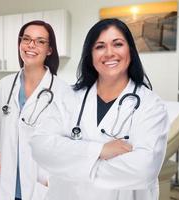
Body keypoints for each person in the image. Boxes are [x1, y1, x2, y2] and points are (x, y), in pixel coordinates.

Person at [30, 18, 169, 200]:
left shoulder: (151, 105)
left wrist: (70, 162)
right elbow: (40, 147)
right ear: (91, 54)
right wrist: (100, 151)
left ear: (130, 51)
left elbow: (144, 169)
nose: (109, 53)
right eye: (100, 46)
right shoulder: (68, 97)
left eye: (118, 44)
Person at [0, 20, 72, 200]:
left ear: (49, 50)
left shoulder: (63, 91)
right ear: (19, 44)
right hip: (7, 178)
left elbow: (71, 140)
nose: (31, 45)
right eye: (26, 39)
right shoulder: (4, 86)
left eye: (40, 41)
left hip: (41, 181)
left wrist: (53, 177)